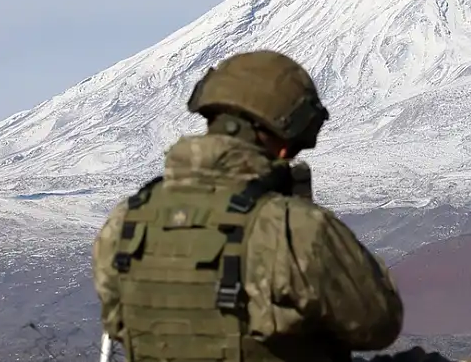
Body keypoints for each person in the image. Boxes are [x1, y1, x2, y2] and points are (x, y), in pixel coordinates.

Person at [92, 50, 404, 361]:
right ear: (284, 134)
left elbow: (118, 322)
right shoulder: (289, 227)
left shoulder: (126, 222)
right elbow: (377, 324)